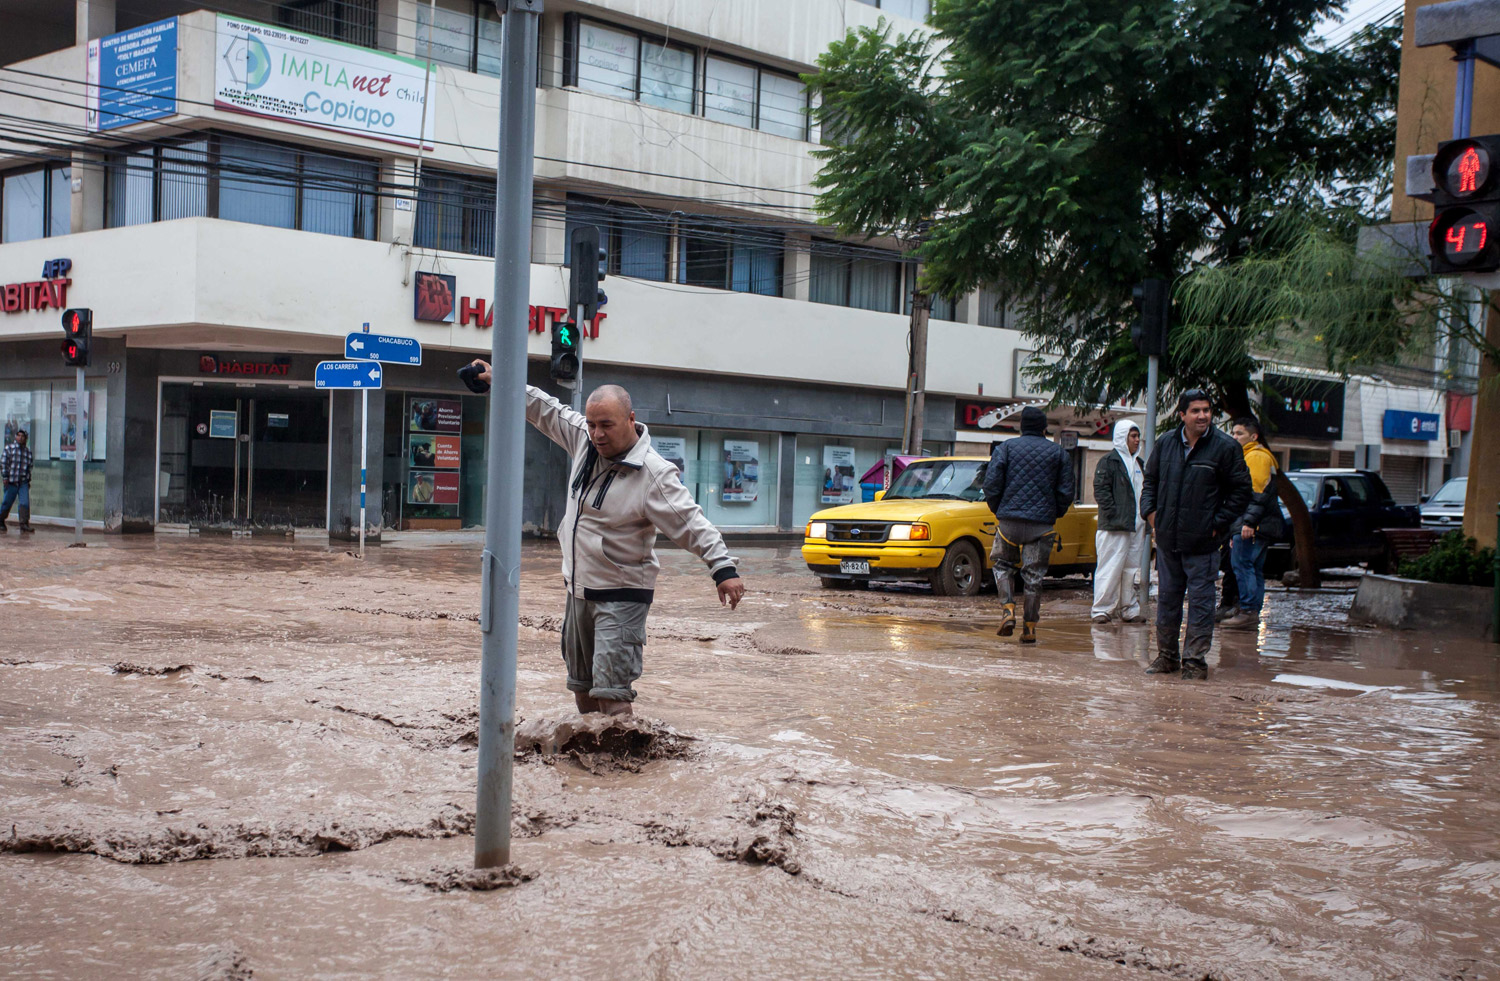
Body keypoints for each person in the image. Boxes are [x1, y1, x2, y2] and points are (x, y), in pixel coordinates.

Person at [470, 361, 746, 716]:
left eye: (606, 425)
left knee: (612, 696)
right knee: (582, 690)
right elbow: (545, 409)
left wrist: (723, 568)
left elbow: (690, 522)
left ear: (631, 420)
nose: (597, 434)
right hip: (579, 591)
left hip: (622, 597)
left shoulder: (654, 474)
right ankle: (586, 770)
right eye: (592, 424)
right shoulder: (584, 441)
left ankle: (626, 769)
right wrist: (499, 380)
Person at [1138, 391, 1251, 680]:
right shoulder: (1165, 444)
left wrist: (1218, 524)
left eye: (1207, 410)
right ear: (1182, 415)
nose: (1203, 415)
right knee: (1167, 599)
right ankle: (1166, 657)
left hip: (1204, 543)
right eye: (1196, 411)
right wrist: (1151, 514)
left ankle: (1194, 661)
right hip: (1167, 540)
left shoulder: (1225, 447)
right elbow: (1149, 481)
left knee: (1200, 603)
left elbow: (1241, 492)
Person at [982, 406, 1074, 644]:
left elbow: (991, 485)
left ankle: (1008, 609)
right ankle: (1030, 628)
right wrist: (1053, 514)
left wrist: (999, 510)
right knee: (1034, 576)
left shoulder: (1006, 449)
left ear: (1021, 427)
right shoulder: (1059, 453)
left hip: (1009, 524)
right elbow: (1066, 492)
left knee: (1002, 565)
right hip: (1041, 526)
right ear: (1044, 428)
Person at [1220, 417, 1283, 630]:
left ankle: (1247, 611)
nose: (1234, 437)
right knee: (1253, 567)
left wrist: (1247, 523)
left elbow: (1255, 494)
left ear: (1253, 437)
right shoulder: (1256, 456)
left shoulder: (1255, 457)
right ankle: (1251, 611)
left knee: (1243, 565)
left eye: (1240, 434)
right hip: (1257, 523)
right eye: (1234, 433)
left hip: (1252, 524)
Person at [1091, 419, 1146, 624]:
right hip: (1114, 527)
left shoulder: (1139, 464)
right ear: (1122, 437)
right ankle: (1102, 609)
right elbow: (1101, 490)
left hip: (1135, 526)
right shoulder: (1109, 461)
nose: (1136, 440)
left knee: (1131, 570)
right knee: (1110, 567)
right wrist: (1113, 514)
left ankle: (1129, 608)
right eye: (1133, 436)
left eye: (1137, 435)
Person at [1, 426, 34, 533]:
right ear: (15, 437)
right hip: (11, 481)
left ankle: (24, 523)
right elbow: (4, 463)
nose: (20, 438)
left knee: (24, 503)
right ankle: (1, 520)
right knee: (7, 502)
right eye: (18, 436)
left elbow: (29, 467)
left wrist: (28, 480)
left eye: (23, 436)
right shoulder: (9, 449)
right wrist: (5, 477)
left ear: (26, 439)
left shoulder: (28, 452)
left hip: (23, 482)